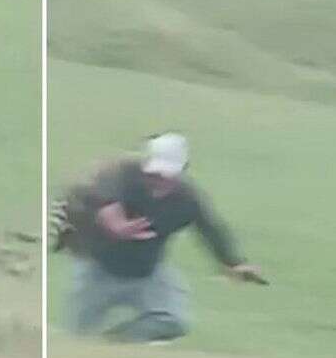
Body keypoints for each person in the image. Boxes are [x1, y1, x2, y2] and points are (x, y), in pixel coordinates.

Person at [69, 132, 266, 343]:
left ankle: (113, 344)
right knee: (74, 338)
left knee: (173, 321)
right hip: (98, 271)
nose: (160, 180)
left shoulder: (187, 199)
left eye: (167, 175)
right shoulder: (121, 176)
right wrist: (112, 221)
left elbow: (210, 229)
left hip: (148, 274)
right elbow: (98, 198)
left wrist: (234, 263)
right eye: (155, 173)